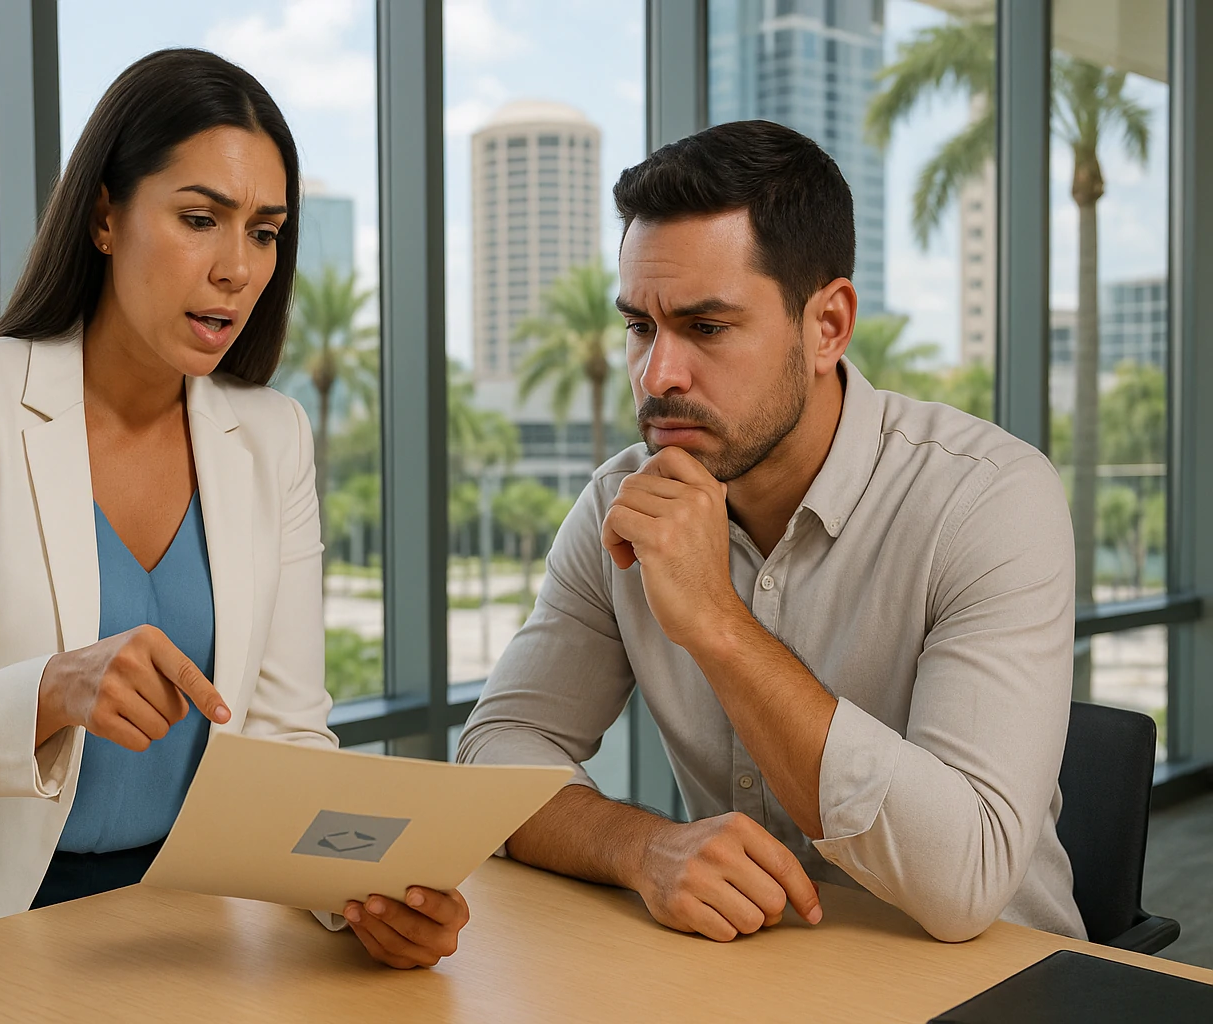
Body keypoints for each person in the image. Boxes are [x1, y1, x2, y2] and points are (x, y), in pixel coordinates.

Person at [0, 48, 466, 968]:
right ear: (106, 215)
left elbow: (285, 739)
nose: (238, 268)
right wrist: (51, 688)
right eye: (201, 219)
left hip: (174, 937)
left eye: (265, 232)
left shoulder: (272, 438)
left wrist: (362, 900)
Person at [457, 120, 1085, 945]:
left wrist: (717, 623)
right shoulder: (622, 502)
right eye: (640, 328)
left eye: (707, 328)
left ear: (827, 325)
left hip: (999, 987)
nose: (657, 376)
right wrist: (641, 847)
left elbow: (965, 880)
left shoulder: (990, 500)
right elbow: (498, 749)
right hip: (745, 983)